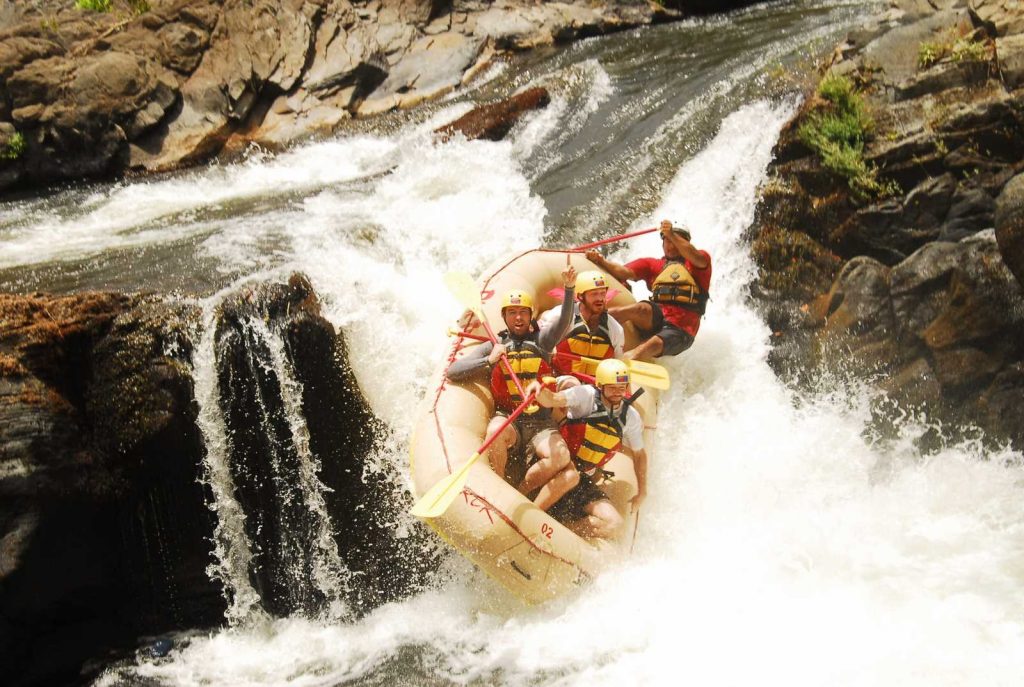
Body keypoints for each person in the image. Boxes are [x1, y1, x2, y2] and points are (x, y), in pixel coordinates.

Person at [446, 266, 579, 512]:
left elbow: (563, 321)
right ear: (505, 317)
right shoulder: (495, 345)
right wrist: (489, 360)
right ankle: (498, 488)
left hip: (540, 421)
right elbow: (453, 371)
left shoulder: (543, 341)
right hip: (509, 417)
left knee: (560, 456)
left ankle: (520, 492)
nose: (518, 318)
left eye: (523, 313)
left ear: (530, 316)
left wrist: (569, 289)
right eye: (512, 313)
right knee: (496, 431)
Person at [524, 358, 648, 539]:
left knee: (615, 524)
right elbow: (553, 400)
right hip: (558, 465)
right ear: (600, 385)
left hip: (582, 479)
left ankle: (559, 532)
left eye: (622, 388)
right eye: (612, 387)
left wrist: (642, 491)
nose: (617, 393)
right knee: (570, 476)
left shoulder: (631, 417)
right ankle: (529, 517)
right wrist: (538, 391)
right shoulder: (586, 395)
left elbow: (639, 455)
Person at [585, 219, 711, 359]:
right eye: (667, 241)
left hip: (682, 329)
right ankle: (581, 331)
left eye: (675, 241)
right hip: (655, 318)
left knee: (653, 344)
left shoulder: (699, 261)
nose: (671, 245)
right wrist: (600, 260)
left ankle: (621, 363)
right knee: (639, 309)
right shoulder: (652, 264)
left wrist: (671, 234)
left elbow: (696, 257)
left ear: (686, 243)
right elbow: (623, 272)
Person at [538, 269, 625, 386]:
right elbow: (541, 339)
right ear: (580, 296)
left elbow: (618, 364)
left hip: (595, 388)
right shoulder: (560, 315)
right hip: (560, 380)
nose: (600, 299)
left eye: (602, 293)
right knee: (571, 383)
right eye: (594, 294)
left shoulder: (615, 329)